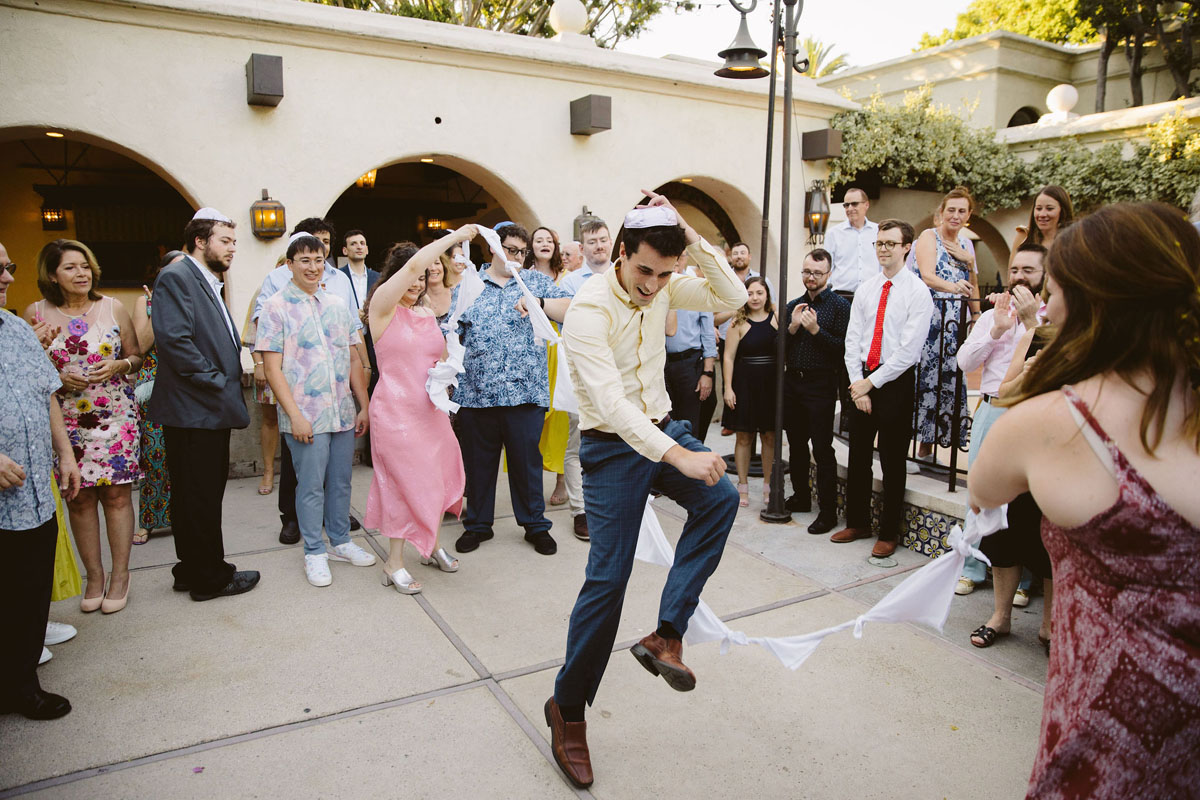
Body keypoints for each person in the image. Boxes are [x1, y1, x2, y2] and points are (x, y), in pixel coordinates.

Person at [969, 202, 1200, 799]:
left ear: (1089, 298)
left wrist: (1048, 358)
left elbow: (984, 485)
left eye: (1056, 287)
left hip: (1113, 725)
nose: (1046, 300)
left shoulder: (1057, 421)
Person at [547, 195, 746, 789]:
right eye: (644, 271)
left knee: (722, 499)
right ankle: (569, 710)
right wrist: (680, 454)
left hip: (660, 428)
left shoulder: (664, 284)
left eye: (664, 274)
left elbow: (732, 298)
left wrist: (688, 234)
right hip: (612, 448)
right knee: (608, 581)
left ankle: (667, 634)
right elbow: (609, 404)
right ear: (621, 255)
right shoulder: (588, 309)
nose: (653, 285)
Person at [24, 239, 143, 614]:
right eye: (71, 267)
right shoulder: (36, 313)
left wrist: (118, 366)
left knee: (118, 497)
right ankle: (94, 576)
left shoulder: (113, 307)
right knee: (78, 499)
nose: (81, 273)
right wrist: (57, 375)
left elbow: (136, 356)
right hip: (66, 421)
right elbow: (28, 369)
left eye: (85, 266)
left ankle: (120, 575)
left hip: (115, 417)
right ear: (52, 275)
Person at [149, 208, 260, 602]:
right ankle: (211, 578)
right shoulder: (177, 276)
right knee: (200, 498)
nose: (233, 249)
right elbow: (175, 342)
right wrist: (219, 383)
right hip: (196, 408)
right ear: (200, 241)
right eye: (225, 241)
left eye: (234, 242)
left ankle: (190, 569)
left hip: (202, 407)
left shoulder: (202, 278)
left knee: (193, 496)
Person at [257, 233, 375, 587]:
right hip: (305, 413)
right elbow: (272, 368)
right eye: (304, 260)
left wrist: (363, 405)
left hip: (340, 410)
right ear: (289, 264)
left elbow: (353, 356)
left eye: (318, 260)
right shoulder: (275, 307)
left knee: (340, 481)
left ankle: (340, 541)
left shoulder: (338, 304)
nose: (312, 267)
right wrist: (293, 414)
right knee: (310, 486)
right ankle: (314, 551)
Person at [453, 223, 571, 555]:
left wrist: (540, 302)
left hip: (526, 392)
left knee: (526, 465)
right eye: (510, 249)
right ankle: (477, 525)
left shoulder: (535, 282)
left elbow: (571, 309)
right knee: (479, 466)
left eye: (522, 251)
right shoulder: (469, 284)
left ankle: (535, 525)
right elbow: (449, 329)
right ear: (493, 247)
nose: (516, 257)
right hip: (477, 395)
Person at [363, 231, 471, 594]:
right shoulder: (382, 308)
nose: (418, 281)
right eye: (414, 275)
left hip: (430, 411)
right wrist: (457, 236)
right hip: (394, 412)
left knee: (439, 476)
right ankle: (393, 563)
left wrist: (449, 365)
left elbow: (434, 358)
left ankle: (430, 544)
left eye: (423, 277)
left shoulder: (426, 312)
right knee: (401, 484)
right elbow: (412, 264)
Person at [0, 253, 82, 721]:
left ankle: (21, 684)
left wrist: (66, 454)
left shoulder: (14, 329)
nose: (8, 276)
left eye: (8, 266)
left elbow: (45, 391)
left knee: (29, 593)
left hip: (32, 495)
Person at [833, 219, 935, 557]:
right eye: (879, 243)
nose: (883, 249)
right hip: (861, 377)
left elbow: (909, 352)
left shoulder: (918, 292)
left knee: (892, 461)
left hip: (894, 382)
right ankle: (858, 522)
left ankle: (889, 532)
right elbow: (852, 340)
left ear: (906, 247)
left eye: (891, 243)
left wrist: (870, 384)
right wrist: (857, 385)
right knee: (858, 456)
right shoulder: (866, 288)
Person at [954, 243, 1046, 597]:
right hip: (991, 409)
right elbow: (964, 362)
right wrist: (996, 330)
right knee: (978, 490)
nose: (1020, 277)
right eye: (1015, 270)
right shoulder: (994, 315)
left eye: (1029, 271)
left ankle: (1023, 580)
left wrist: (1029, 324)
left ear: (1044, 276)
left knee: (1022, 498)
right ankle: (972, 567)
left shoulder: (1051, 316)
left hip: (1028, 412)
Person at [912, 186, 980, 466]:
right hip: (928, 321)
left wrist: (976, 316)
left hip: (953, 326)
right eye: (951, 209)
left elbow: (973, 283)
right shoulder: (929, 237)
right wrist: (954, 287)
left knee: (947, 381)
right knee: (922, 381)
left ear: (968, 215)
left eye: (962, 211)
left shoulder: (967, 245)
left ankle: (931, 448)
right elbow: (927, 276)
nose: (955, 215)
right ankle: (911, 447)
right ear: (941, 212)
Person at [783, 249, 850, 531]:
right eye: (807, 272)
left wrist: (815, 331)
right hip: (793, 382)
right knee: (796, 445)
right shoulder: (793, 305)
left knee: (822, 449)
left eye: (817, 273)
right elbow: (780, 349)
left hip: (821, 384)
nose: (810, 278)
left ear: (829, 274)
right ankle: (800, 497)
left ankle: (828, 511)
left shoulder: (838, 306)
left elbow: (842, 350)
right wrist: (793, 328)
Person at [559, 220, 614, 542]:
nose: (598, 246)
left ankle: (609, 504)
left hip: (617, 374)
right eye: (591, 241)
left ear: (611, 242)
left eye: (603, 240)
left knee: (618, 441)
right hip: (581, 376)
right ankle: (580, 511)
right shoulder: (570, 284)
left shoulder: (623, 275)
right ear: (582, 248)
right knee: (577, 446)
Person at [131, 250, 184, 543]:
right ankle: (149, 520)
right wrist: (158, 305)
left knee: (184, 460)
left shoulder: (192, 297)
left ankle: (182, 517)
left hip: (186, 387)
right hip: (153, 388)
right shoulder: (146, 300)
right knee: (155, 455)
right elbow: (140, 344)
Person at [525, 227, 572, 508]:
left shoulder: (567, 278)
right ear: (531, 246)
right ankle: (531, 483)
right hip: (533, 352)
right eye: (538, 239)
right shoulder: (523, 275)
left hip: (563, 352)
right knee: (533, 418)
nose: (544, 244)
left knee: (562, 416)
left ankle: (561, 481)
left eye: (549, 240)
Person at [723, 276, 778, 507]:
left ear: (766, 295)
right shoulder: (738, 322)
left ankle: (768, 485)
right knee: (743, 437)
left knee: (769, 436)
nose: (754, 298)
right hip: (744, 384)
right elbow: (728, 357)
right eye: (750, 293)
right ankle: (742, 486)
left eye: (759, 293)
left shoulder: (776, 319)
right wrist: (728, 387)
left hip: (770, 386)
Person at [663, 254, 717, 435]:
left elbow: (708, 332)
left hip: (688, 363)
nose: (676, 260)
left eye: (681, 256)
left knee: (689, 423)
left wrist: (707, 373)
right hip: (661, 363)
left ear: (686, 258)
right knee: (664, 422)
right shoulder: (658, 284)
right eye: (673, 255)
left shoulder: (696, 287)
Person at [825, 187, 879, 297]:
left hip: (872, 295)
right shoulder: (833, 234)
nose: (849, 208)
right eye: (846, 205)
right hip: (841, 296)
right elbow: (826, 266)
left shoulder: (878, 231)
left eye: (854, 204)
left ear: (866, 205)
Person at [1009, 185, 1073, 262]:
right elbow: (1012, 272)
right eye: (1038, 209)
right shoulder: (1023, 237)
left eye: (1049, 209)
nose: (1042, 214)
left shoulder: (1073, 241)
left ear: (1062, 211)